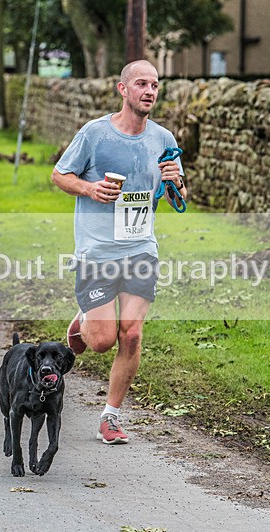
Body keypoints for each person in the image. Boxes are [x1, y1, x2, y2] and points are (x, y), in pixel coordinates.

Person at [51, 60, 186, 445]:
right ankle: (82, 321)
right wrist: (91, 190)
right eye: (142, 83)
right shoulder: (95, 134)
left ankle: (110, 416)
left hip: (141, 248)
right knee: (102, 341)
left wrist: (176, 182)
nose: (150, 91)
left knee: (132, 333)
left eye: (155, 85)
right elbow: (60, 175)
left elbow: (178, 196)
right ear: (122, 89)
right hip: (97, 251)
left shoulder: (164, 139)